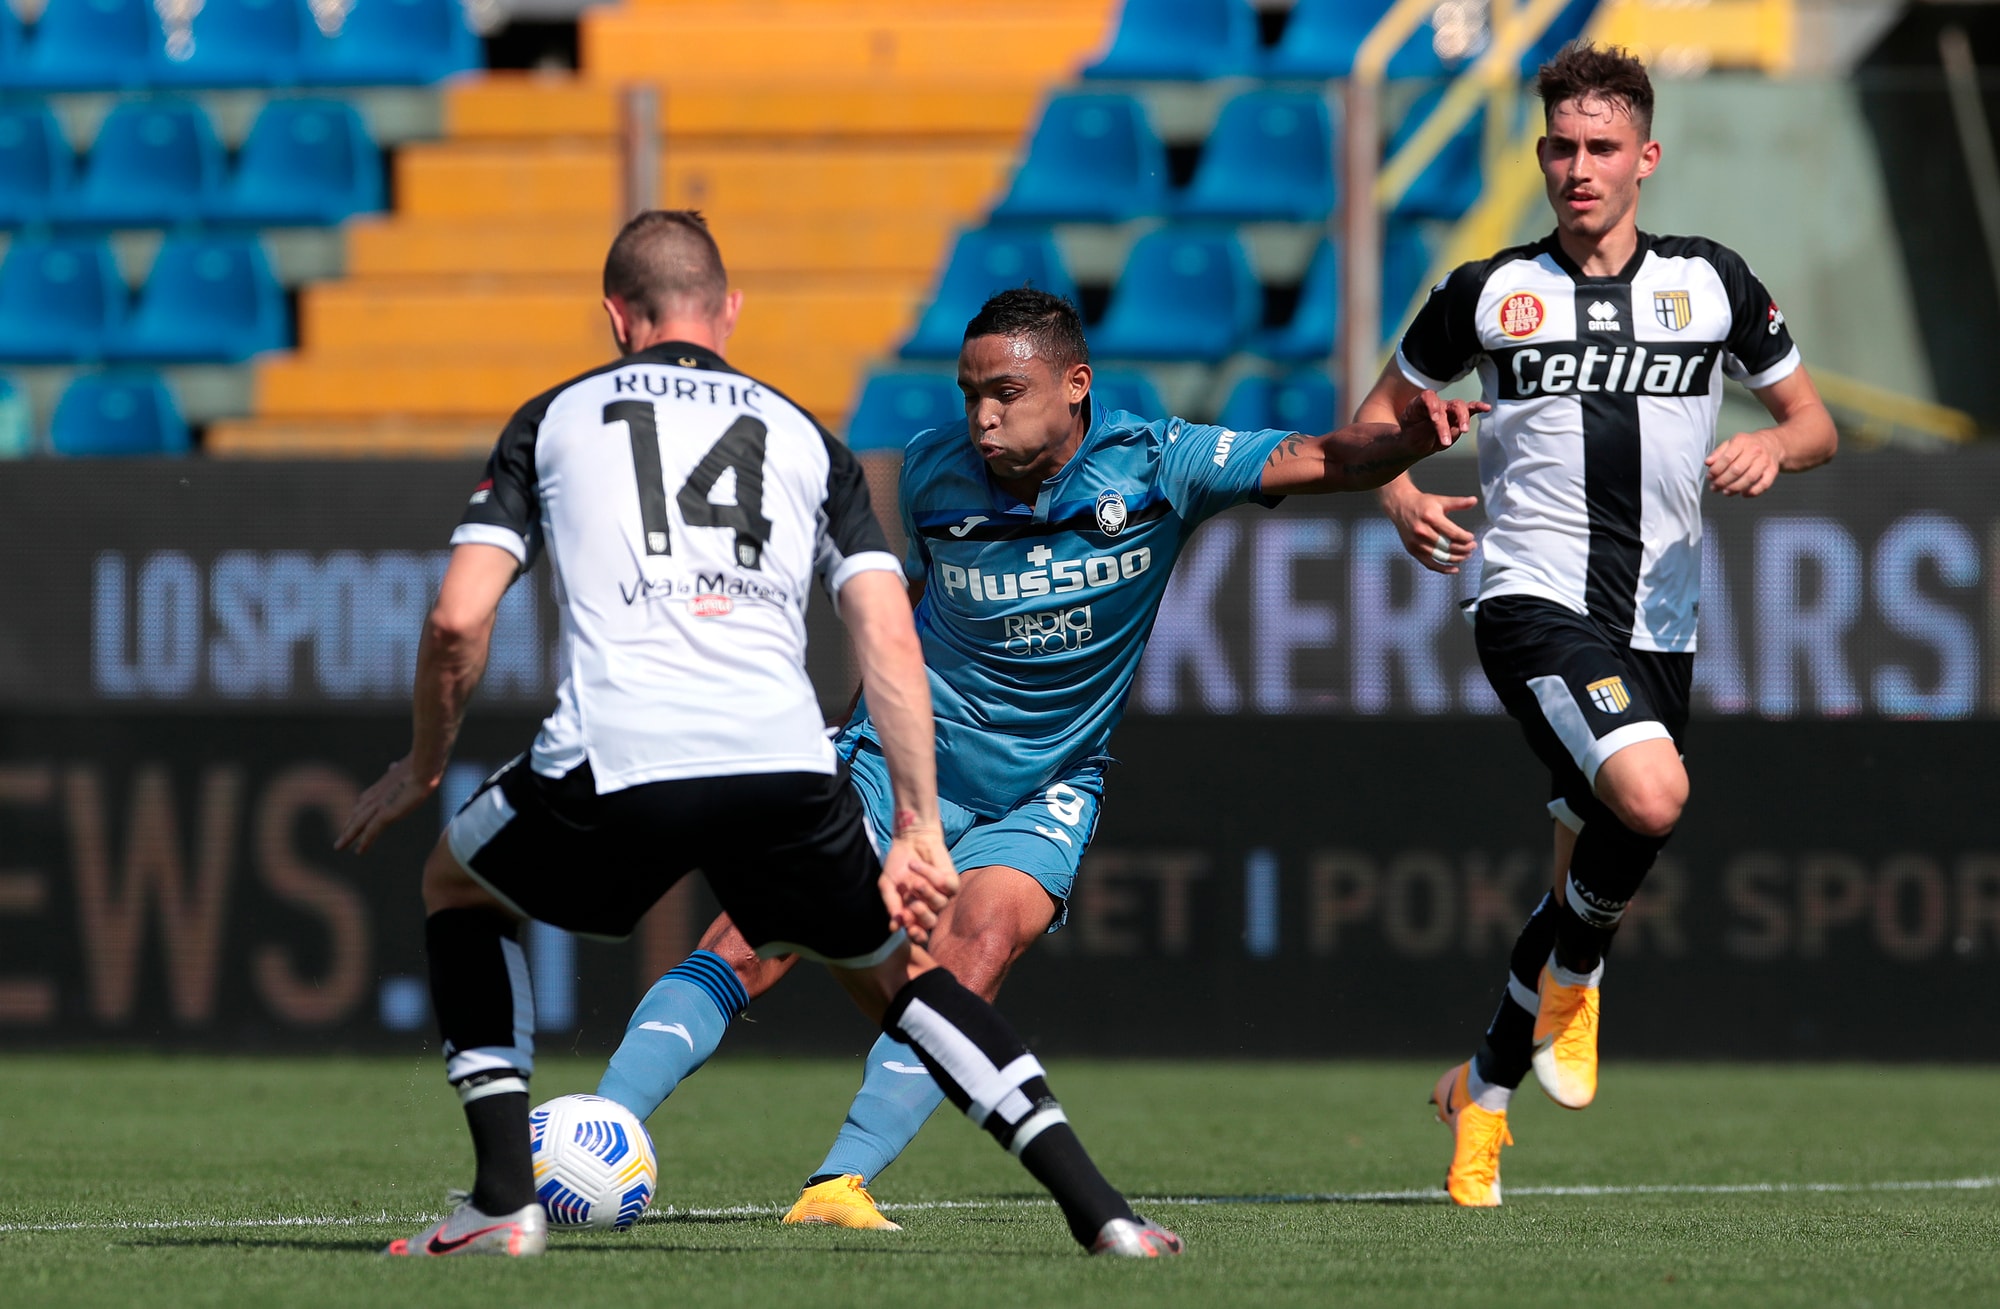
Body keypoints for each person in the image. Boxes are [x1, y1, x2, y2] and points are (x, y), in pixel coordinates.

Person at [335, 211, 1185, 1258]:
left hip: (620, 743)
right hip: (782, 759)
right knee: (906, 985)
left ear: (615, 318)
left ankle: (503, 1200)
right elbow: (888, 633)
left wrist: (424, 764)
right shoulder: (803, 437)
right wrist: (919, 823)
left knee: (460, 887)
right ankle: (1101, 1212)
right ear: (728, 312)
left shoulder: (554, 417)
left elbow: (458, 619)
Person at [593, 287, 1484, 1229]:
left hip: (1046, 783)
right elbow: (907, 614)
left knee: (977, 947)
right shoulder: (931, 471)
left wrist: (1405, 443)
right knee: (757, 933)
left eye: (1006, 393)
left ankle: (838, 1184)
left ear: (1076, 385)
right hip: (903, 761)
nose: (982, 417)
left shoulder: (1159, 464)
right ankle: (599, 1126)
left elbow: (1325, 455)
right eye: (970, 393)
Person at [1353, 44, 1837, 1207]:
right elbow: (1375, 421)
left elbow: (1812, 422)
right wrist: (1400, 492)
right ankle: (1575, 972)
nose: (1579, 168)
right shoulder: (1487, 293)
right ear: (1540, 155)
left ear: (1644, 158)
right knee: (1652, 797)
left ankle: (1481, 1090)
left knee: (1595, 857)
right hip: (1529, 596)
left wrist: (1773, 445)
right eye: (1562, 147)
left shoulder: (1711, 282)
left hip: (1660, 620)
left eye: (1601, 148)